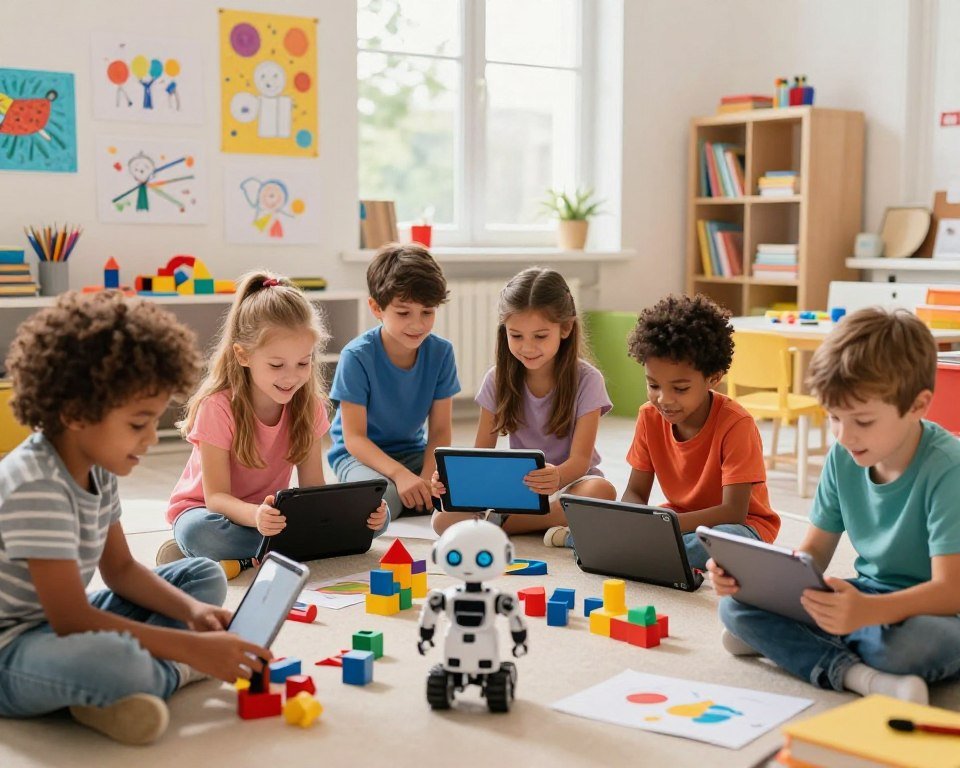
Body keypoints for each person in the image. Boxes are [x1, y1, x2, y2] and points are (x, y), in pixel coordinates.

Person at [0, 291, 271, 745]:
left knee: (201, 577)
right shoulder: (36, 486)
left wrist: (192, 612)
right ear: (75, 413)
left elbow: (121, 570)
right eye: (137, 423)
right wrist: (194, 650)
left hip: (62, 625)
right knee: (117, 661)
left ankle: (115, 691)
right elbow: (70, 619)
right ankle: (158, 676)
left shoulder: (98, 467)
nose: (150, 439)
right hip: (13, 648)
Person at [711, 307, 960, 705]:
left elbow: (951, 591)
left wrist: (867, 611)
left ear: (917, 405)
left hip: (940, 611)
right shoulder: (844, 456)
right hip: (867, 594)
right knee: (734, 609)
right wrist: (758, 582)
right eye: (833, 418)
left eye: (862, 420)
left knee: (906, 647)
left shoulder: (948, 468)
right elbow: (812, 555)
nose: (844, 436)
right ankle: (862, 677)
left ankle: (791, 645)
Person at [162, 272, 388, 575]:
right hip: (209, 512)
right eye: (276, 365)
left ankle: (256, 553)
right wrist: (256, 516)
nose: (291, 377)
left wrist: (360, 514)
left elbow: (312, 488)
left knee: (376, 522)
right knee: (198, 533)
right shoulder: (217, 408)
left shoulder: (308, 407)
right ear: (243, 355)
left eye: (303, 363)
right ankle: (274, 547)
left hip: (271, 518)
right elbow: (215, 499)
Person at [431, 267, 616, 538]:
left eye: (540, 336)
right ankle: (543, 524)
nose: (527, 348)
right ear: (504, 330)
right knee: (442, 519)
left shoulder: (588, 380)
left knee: (601, 493)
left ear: (565, 328)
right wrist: (452, 484)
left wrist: (557, 477)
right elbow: (481, 456)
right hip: (518, 491)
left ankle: (503, 525)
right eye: (516, 336)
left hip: (570, 484)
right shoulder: (496, 379)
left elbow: (580, 460)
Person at [622, 294, 780, 569]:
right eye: (654, 385)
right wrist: (633, 519)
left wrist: (661, 527)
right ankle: (650, 553)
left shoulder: (736, 424)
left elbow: (733, 512)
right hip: (677, 522)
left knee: (724, 541)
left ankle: (649, 555)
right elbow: (635, 491)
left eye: (680, 389)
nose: (664, 399)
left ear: (713, 378)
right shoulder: (649, 416)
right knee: (611, 526)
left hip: (742, 527)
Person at [327, 244, 460, 522]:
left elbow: (439, 430)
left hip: (412, 453)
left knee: (462, 490)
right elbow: (354, 439)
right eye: (403, 313)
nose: (417, 324)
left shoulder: (441, 352)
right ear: (376, 308)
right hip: (358, 457)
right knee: (379, 504)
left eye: (427, 312)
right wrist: (400, 476)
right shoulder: (356, 356)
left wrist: (425, 478)